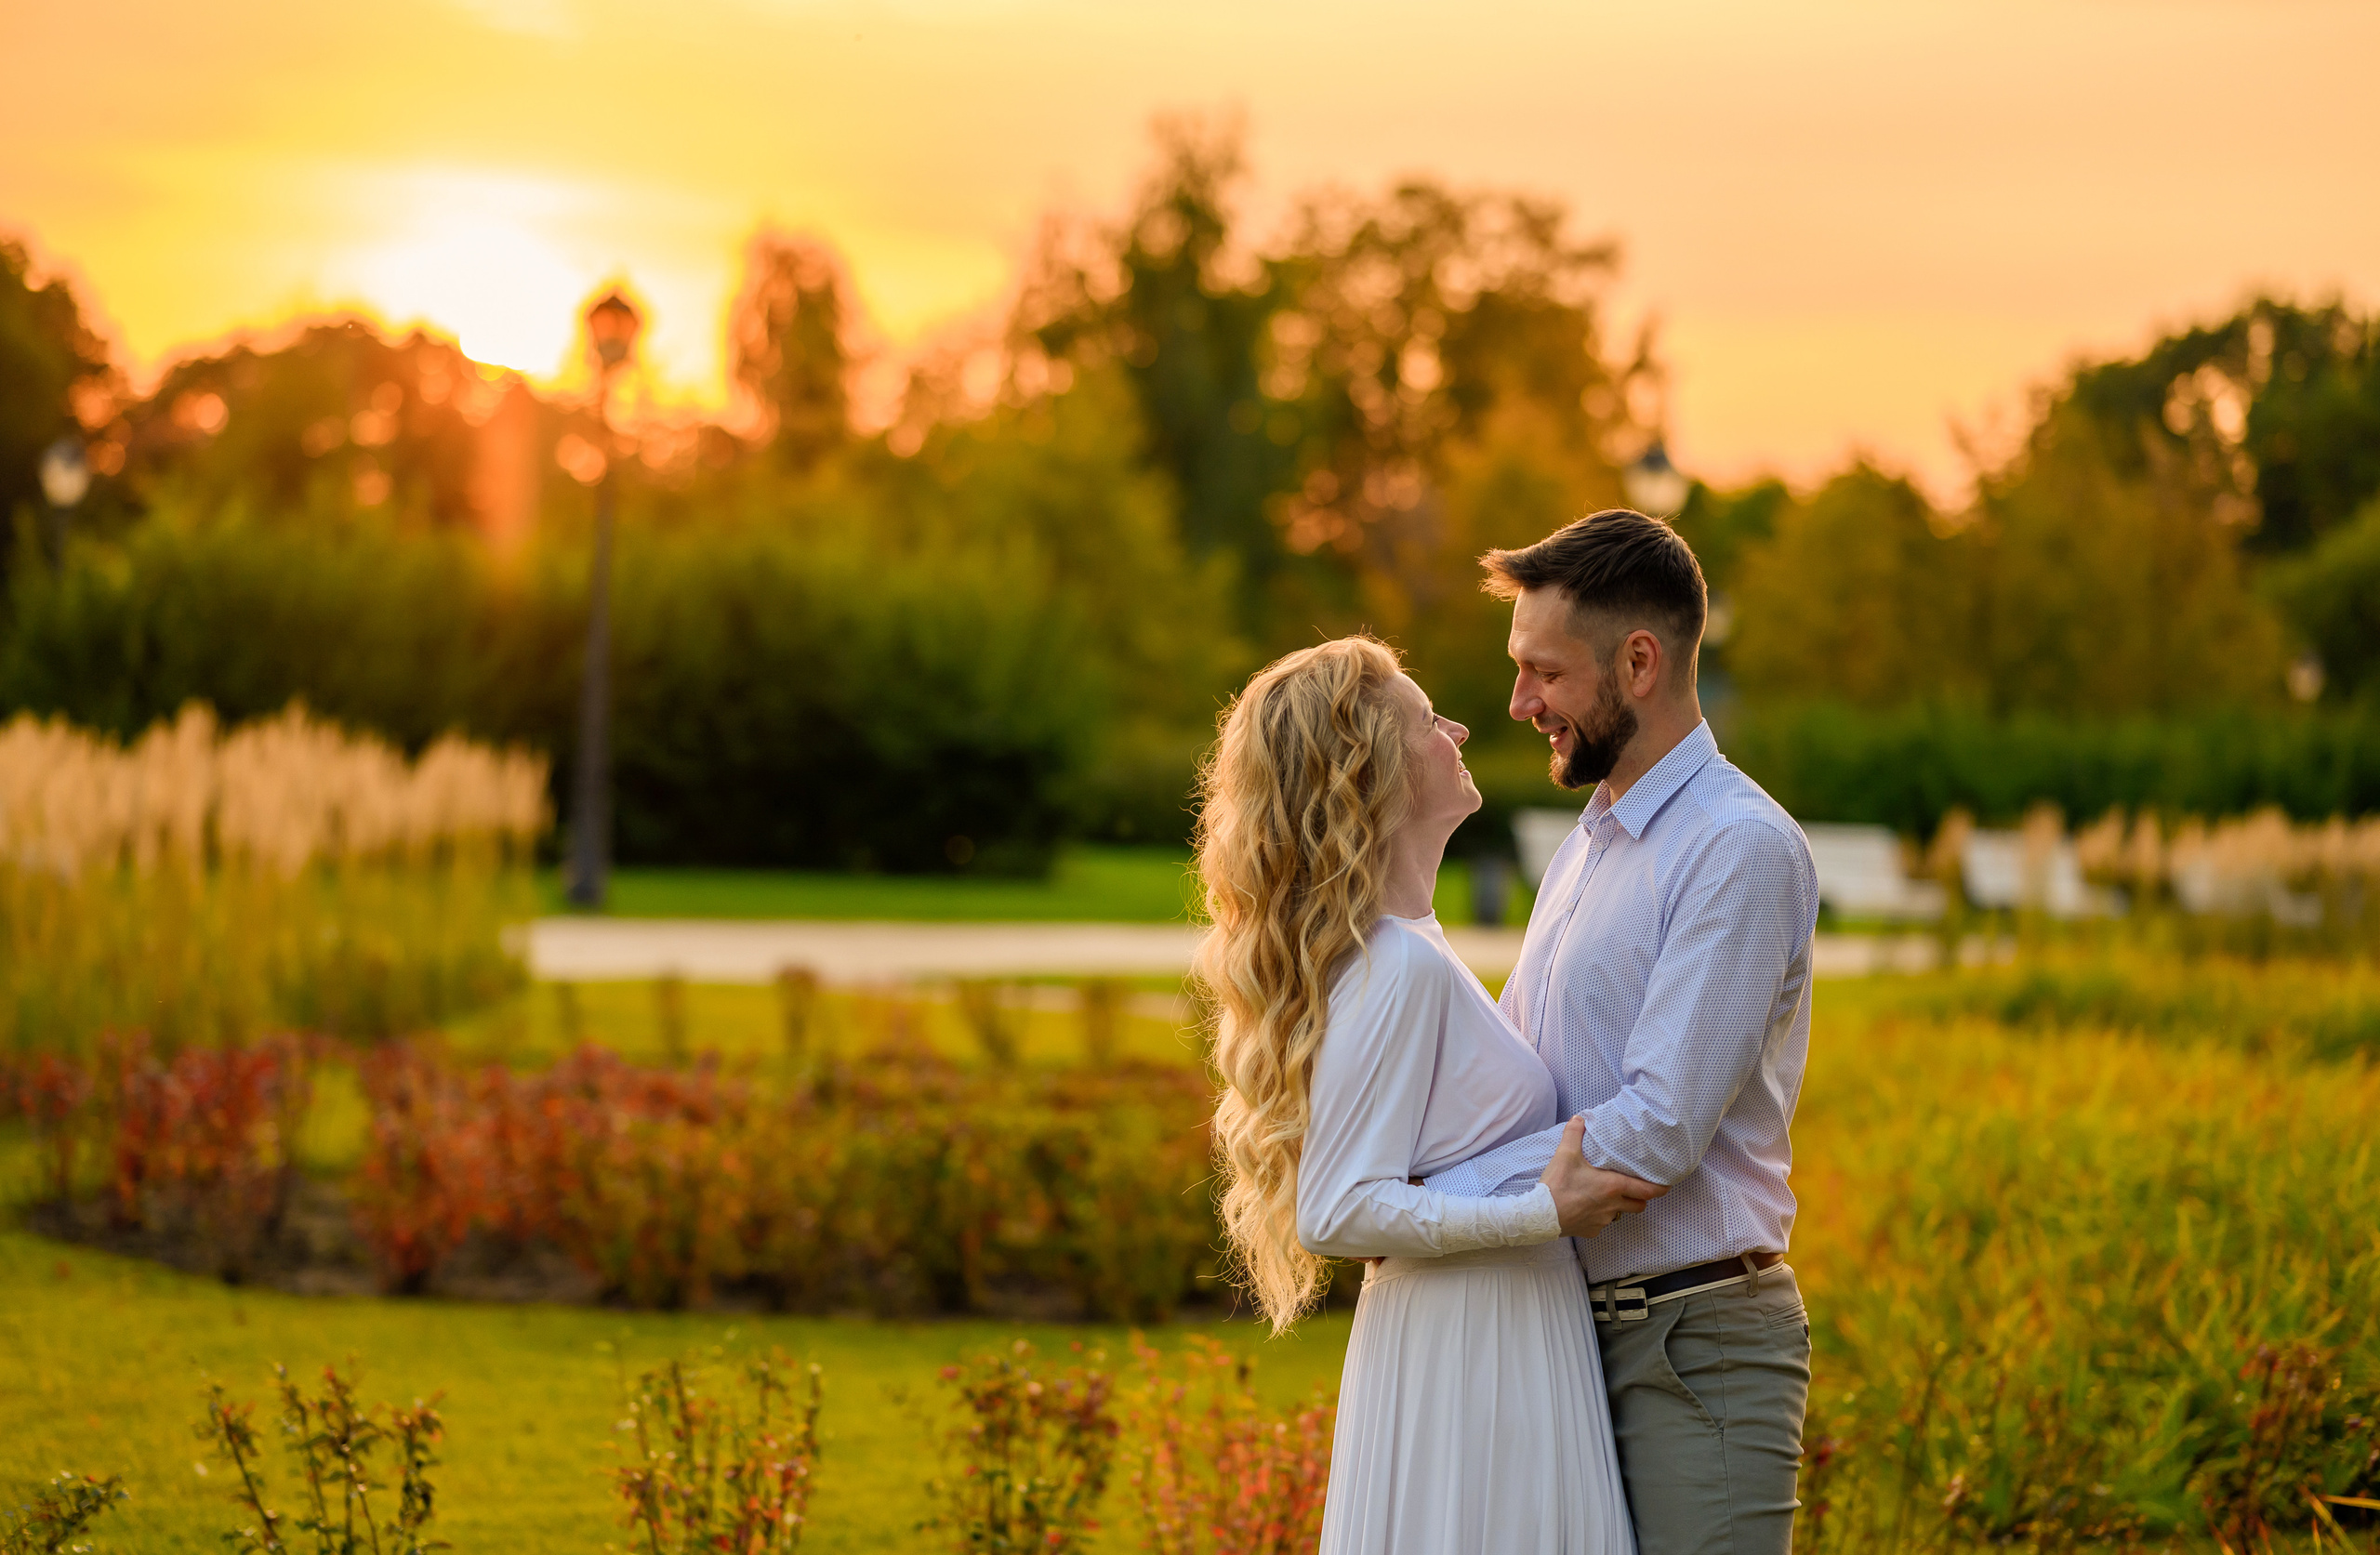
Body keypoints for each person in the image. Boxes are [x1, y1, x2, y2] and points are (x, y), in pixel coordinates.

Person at [1197, 633, 1663, 1555]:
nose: (1455, 726)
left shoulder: (1412, 941)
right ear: (1370, 765)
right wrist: (1540, 1207)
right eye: (1423, 718)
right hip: (1471, 1343)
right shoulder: (1396, 963)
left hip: (1481, 1327)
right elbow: (1337, 1209)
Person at [1424, 509, 1820, 1555]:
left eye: (1544, 672)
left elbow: (1652, 1131)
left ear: (1637, 661)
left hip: (1693, 1348)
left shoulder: (1736, 847)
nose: (1520, 703)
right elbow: (1522, 1082)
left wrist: (1423, 1202)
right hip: (1561, 1329)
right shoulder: (1586, 846)